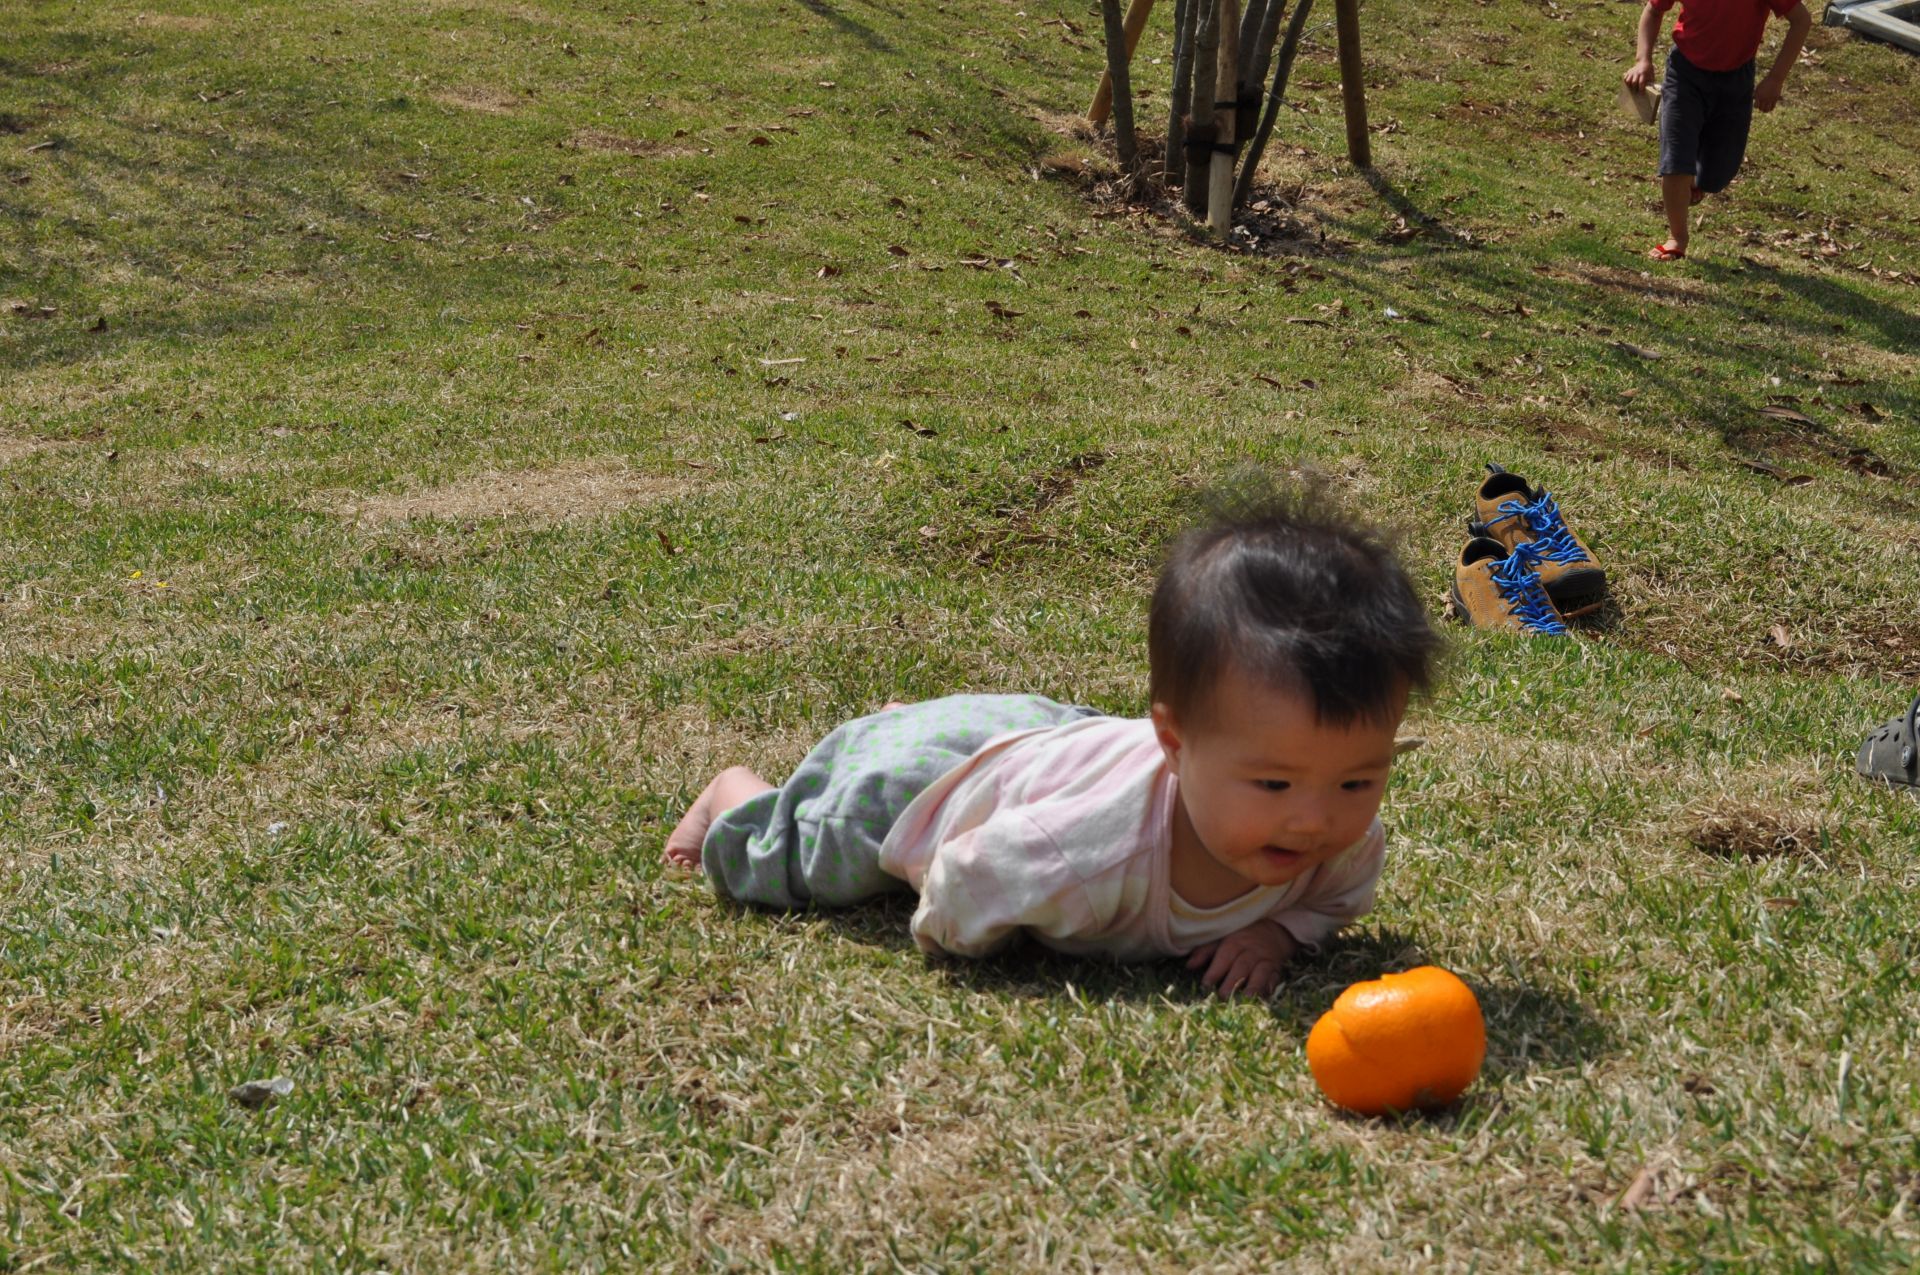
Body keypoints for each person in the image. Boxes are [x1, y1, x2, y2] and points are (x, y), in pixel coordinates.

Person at [662, 479, 1442, 999]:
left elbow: (1333, 901)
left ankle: (913, 722)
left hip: (1051, 744)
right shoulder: (1081, 850)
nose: (1315, 820)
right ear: (1174, 743)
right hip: (931, 790)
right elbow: (959, 890)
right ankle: (732, 792)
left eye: (1355, 782)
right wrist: (981, 936)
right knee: (793, 866)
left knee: (994, 750)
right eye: (1274, 784)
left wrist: (1273, 932)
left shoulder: (1342, 845)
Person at [1623, 0, 1812, 261]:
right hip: (1685, 74)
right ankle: (1677, 237)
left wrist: (1775, 79)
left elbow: (1801, 20)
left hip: (1736, 81)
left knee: (1716, 176)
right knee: (1677, 159)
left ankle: (1697, 179)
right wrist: (1642, 60)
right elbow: (1654, 10)